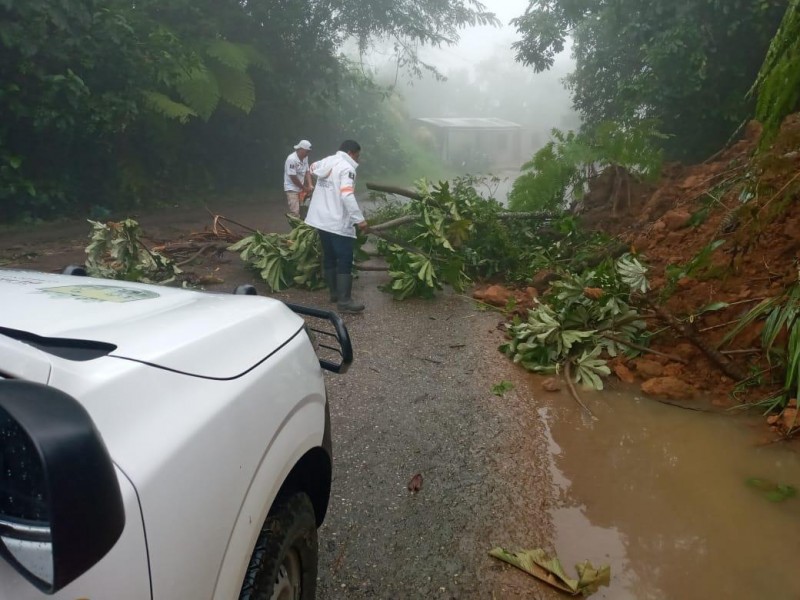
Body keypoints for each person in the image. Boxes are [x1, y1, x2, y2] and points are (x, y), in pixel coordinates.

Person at [305, 140, 368, 313]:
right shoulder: (347, 169)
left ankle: (334, 294)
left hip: (321, 220)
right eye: (358, 155)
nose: (358, 159)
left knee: (329, 257)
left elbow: (311, 167)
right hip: (337, 222)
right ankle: (344, 302)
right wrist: (359, 220)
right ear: (351, 152)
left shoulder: (327, 161)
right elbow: (347, 195)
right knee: (345, 259)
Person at [284, 140, 313, 216]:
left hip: (300, 189)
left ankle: (301, 226)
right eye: (307, 151)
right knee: (295, 212)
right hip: (292, 189)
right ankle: (295, 227)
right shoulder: (291, 159)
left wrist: (310, 185)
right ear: (301, 149)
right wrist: (304, 188)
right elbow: (293, 177)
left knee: (303, 209)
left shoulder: (305, 157)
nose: (308, 153)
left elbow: (307, 171)